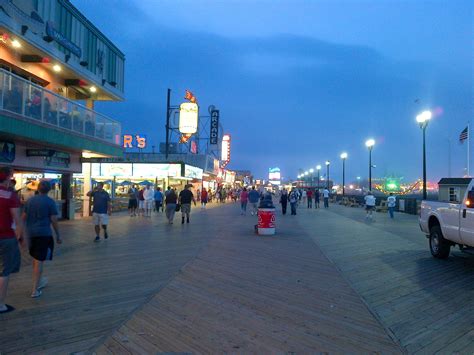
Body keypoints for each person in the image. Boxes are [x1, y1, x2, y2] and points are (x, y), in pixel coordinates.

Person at [23, 180, 61, 298]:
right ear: (49, 190)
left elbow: (23, 217)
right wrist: (58, 235)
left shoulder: (29, 201)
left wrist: (20, 232)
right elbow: (54, 220)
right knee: (39, 260)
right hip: (43, 234)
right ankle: (35, 289)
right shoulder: (50, 202)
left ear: (37, 188)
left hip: (30, 234)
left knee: (36, 258)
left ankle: (39, 281)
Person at [0, 167, 23, 314]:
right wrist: (22, 237)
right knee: (4, 272)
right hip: (6, 237)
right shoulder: (10, 195)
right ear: (8, 177)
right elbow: (17, 219)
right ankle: (1, 305)